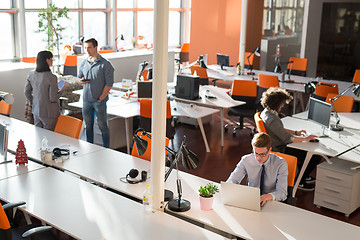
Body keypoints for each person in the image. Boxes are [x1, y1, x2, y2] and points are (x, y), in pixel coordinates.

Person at [260, 87, 320, 191]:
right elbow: (288, 139)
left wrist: (296, 132)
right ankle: (300, 180)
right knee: (314, 156)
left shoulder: (266, 112)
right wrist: (306, 138)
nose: (283, 105)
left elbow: (280, 130)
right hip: (279, 148)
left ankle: (303, 175)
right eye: (282, 103)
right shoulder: (272, 119)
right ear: (277, 103)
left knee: (305, 153)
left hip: (275, 143)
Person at [227, 132, 288, 206]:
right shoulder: (246, 160)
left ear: (269, 150)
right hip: (252, 201)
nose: (258, 158)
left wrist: (268, 196)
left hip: (271, 202)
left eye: (262, 154)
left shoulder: (281, 164)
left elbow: (282, 193)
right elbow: (232, 181)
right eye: (256, 153)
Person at [78, 38, 114, 148]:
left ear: (95, 47)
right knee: (88, 126)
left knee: (103, 126)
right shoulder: (84, 63)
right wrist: (81, 81)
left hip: (99, 101)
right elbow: (79, 78)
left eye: (89, 47)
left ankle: (107, 148)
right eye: (85, 48)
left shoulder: (105, 64)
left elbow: (109, 83)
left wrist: (101, 98)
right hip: (86, 100)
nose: (87, 50)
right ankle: (90, 148)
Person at [24, 51, 64, 130]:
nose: (52, 60)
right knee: (50, 137)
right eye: (51, 58)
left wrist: (34, 101)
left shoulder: (31, 74)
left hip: (36, 110)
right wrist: (62, 89)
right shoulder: (52, 77)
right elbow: (53, 98)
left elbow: (26, 92)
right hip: (49, 112)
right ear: (47, 60)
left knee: (39, 135)